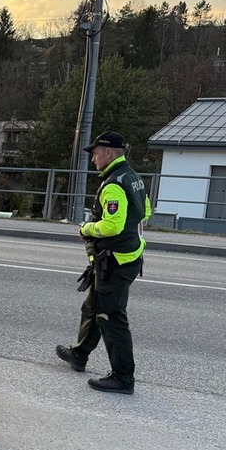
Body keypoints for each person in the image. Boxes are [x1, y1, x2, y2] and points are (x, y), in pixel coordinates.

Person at [55, 131, 151, 394]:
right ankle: (79, 354)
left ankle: (123, 377)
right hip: (124, 257)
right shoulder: (133, 177)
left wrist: (87, 228)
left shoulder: (113, 184)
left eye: (96, 153)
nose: (94, 158)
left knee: (111, 316)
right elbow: (146, 211)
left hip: (116, 261)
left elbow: (111, 225)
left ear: (109, 153)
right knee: (93, 307)